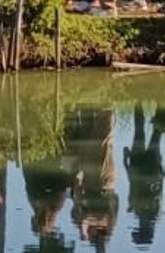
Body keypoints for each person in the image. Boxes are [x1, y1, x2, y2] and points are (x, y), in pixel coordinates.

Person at [68, 106, 119, 249]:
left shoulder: (83, 220)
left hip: (89, 180)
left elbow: (76, 212)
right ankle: (107, 104)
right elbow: (100, 216)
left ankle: (89, 104)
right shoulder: (108, 222)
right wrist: (86, 224)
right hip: (103, 182)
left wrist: (82, 228)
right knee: (102, 140)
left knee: (87, 136)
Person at [121, 103, 165, 246]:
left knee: (156, 134)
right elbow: (132, 184)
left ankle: (161, 104)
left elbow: (157, 191)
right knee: (139, 131)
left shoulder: (155, 214)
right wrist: (126, 161)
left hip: (153, 169)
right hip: (138, 167)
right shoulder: (138, 211)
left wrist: (162, 174)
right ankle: (138, 101)